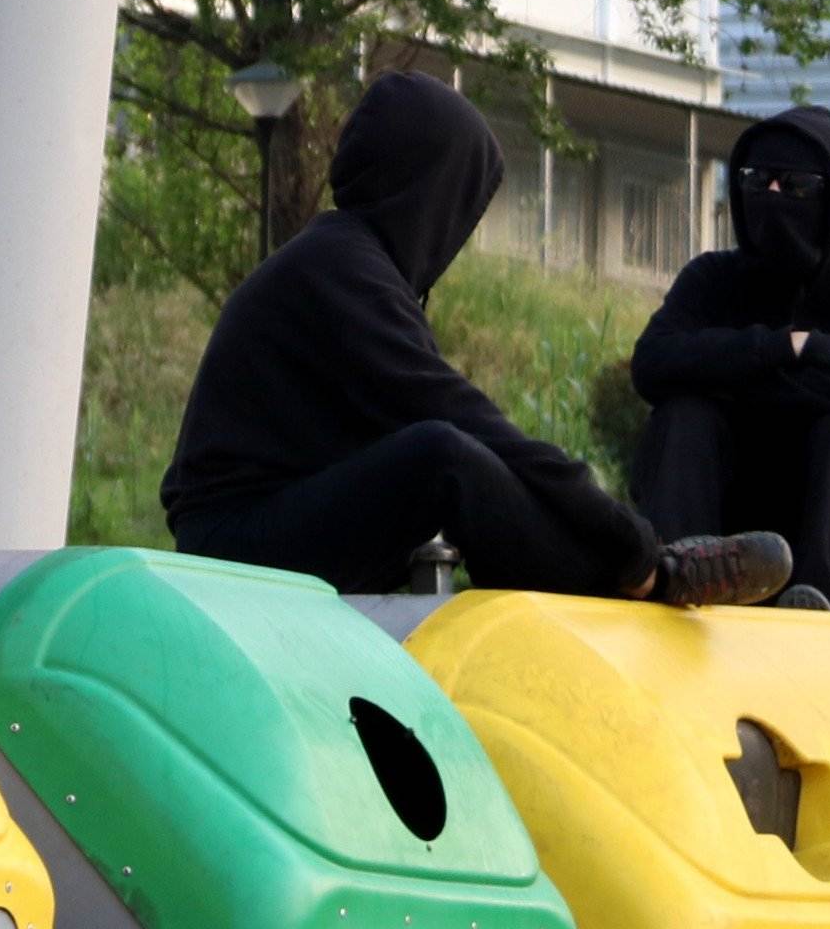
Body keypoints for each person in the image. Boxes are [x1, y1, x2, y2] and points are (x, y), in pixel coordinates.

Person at [165, 70, 794, 608]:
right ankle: (648, 586)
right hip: (234, 547)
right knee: (442, 457)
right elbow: (464, 420)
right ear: (430, 190)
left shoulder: (345, 261)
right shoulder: (340, 272)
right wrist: (625, 536)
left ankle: (651, 579)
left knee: (449, 450)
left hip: (257, 525)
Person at [629, 109, 830, 619]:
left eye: (797, 185)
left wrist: (734, 375)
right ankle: (678, 576)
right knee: (684, 414)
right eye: (759, 181)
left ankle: (816, 608)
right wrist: (792, 348)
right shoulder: (713, 280)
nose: (775, 197)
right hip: (741, 549)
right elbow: (651, 366)